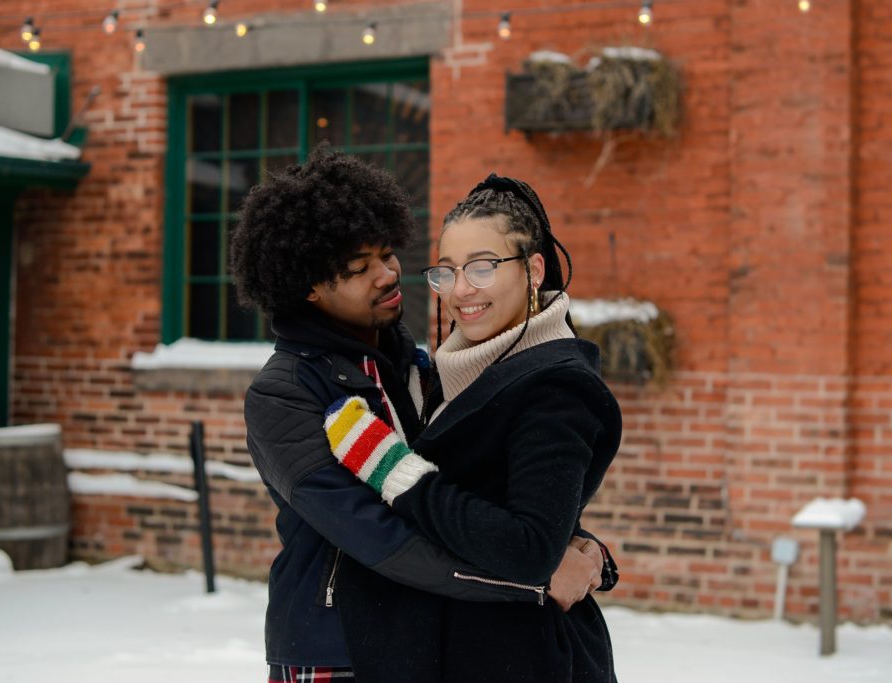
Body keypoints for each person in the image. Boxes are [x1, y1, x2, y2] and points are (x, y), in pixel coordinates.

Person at [230, 151, 614, 683]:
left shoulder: (418, 366)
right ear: (307, 288)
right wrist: (538, 577)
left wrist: (568, 542)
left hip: (416, 642)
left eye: (388, 255)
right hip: (332, 646)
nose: (389, 275)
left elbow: (480, 498)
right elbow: (385, 537)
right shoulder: (286, 395)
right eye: (360, 269)